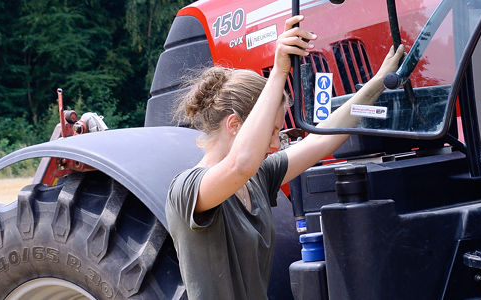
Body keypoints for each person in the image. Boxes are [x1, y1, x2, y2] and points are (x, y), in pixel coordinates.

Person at [166, 15, 405, 300]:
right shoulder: (186, 190)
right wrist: (278, 72)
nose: (274, 145)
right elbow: (239, 165)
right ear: (234, 126)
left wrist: (378, 83)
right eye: (271, 131)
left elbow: (323, 137)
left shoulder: (258, 176)